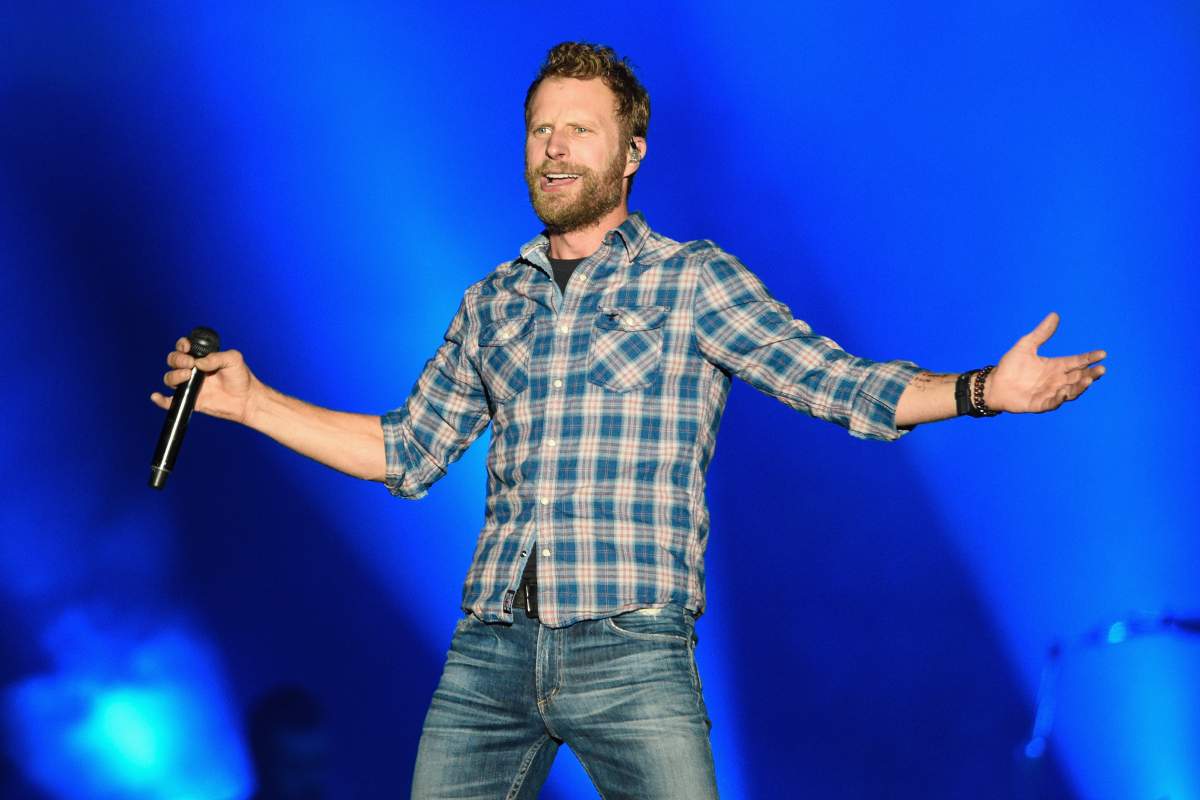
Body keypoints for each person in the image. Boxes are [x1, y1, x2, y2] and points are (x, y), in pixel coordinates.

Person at [151, 42, 1106, 799]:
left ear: (632, 151)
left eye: (579, 129)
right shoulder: (493, 301)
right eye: (540, 131)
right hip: (493, 649)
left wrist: (984, 389)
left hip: (632, 651)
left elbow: (843, 386)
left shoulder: (692, 280)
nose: (555, 148)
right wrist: (250, 402)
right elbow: (403, 453)